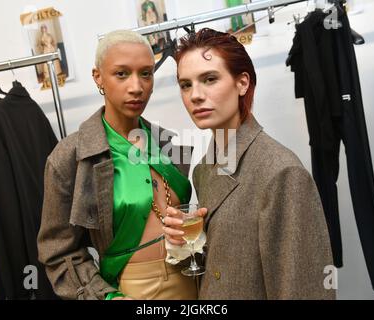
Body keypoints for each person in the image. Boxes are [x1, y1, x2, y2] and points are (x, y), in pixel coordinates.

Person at [163, 28, 336, 300]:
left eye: (209, 79)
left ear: (242, 83)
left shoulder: (281, 172)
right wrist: (185, 244)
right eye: (186, 84)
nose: (195, 95)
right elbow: (223, 266)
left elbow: (303, 289)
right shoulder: (203, 169)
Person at [37, 30, 197, 300]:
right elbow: (58, 252)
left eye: (146, 73)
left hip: (192, 283)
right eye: (121, 74)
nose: (137, 87)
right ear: (98, 77)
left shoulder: (167, 143)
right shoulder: (70, 157)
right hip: (129, 291)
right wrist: (104, 297)